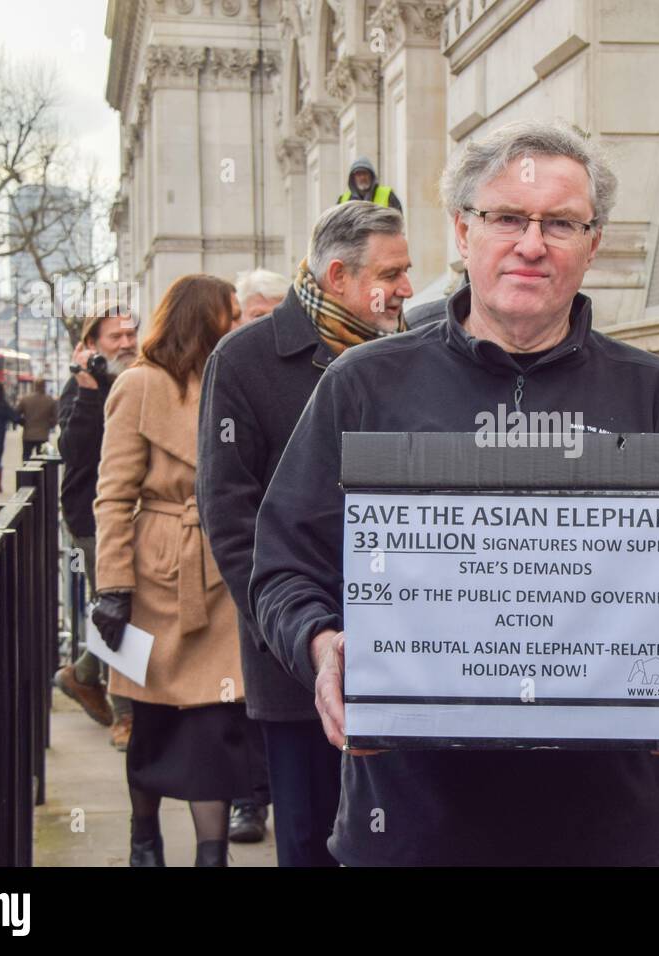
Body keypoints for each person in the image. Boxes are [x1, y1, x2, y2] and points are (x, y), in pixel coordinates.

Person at [250, 120, 659, 866]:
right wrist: (321, 644)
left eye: (560, 223)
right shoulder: (363, 387)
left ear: (595, 242)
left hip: (607, 830)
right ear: (461, 230)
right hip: (415, 828)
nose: (532, 243)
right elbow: (283, 564)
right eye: (508, 218)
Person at [198, 201, 413, 864]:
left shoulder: (413, 354)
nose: (408, 288)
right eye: (394, 273)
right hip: (296, 663)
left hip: (410, 649)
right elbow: (231, 518)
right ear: (341, 275)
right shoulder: (243, 360)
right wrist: (296, 632)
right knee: (311, 840)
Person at [90, 274, 254, 868]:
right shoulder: (138, 384)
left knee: (216, 720)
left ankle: (211, 854)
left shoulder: (233, 380)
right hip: (151, 572)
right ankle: (144, 839)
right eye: (230, 315)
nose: (239, 325)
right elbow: (112, 495)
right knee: (150, 715)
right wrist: (112, 587)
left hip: (219, 571)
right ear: (201, 318)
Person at [53, 308, 139, 742]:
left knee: (131, 607)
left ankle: (82, 673)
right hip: (91, 516)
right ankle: (125, 716)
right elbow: (74, 450)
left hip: (131, 511)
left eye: (130, 333)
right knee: (115, 606)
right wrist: (88, 393)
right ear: (92, 345)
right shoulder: (80, 388)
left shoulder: (138, 377)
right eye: (115, 336)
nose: (126, 342)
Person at [337, 157, 403, 215]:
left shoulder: (387, 195)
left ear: (371, 175)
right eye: (358, 174)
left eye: (365, 173)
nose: (362, 177)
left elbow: (398, 220)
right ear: (353, 178)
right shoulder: (343, 200)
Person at [16, 379, 58, 460]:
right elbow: (56, 417)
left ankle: (26, 472)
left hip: (28, 434)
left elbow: (16, 414)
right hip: (43, 434)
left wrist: (23, 423)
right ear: (44, 387)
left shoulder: (25, 399)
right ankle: (41, 472)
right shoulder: (50, 400)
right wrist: (49, 426)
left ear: (34, 386)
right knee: (42, 459)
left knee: (26, 457)